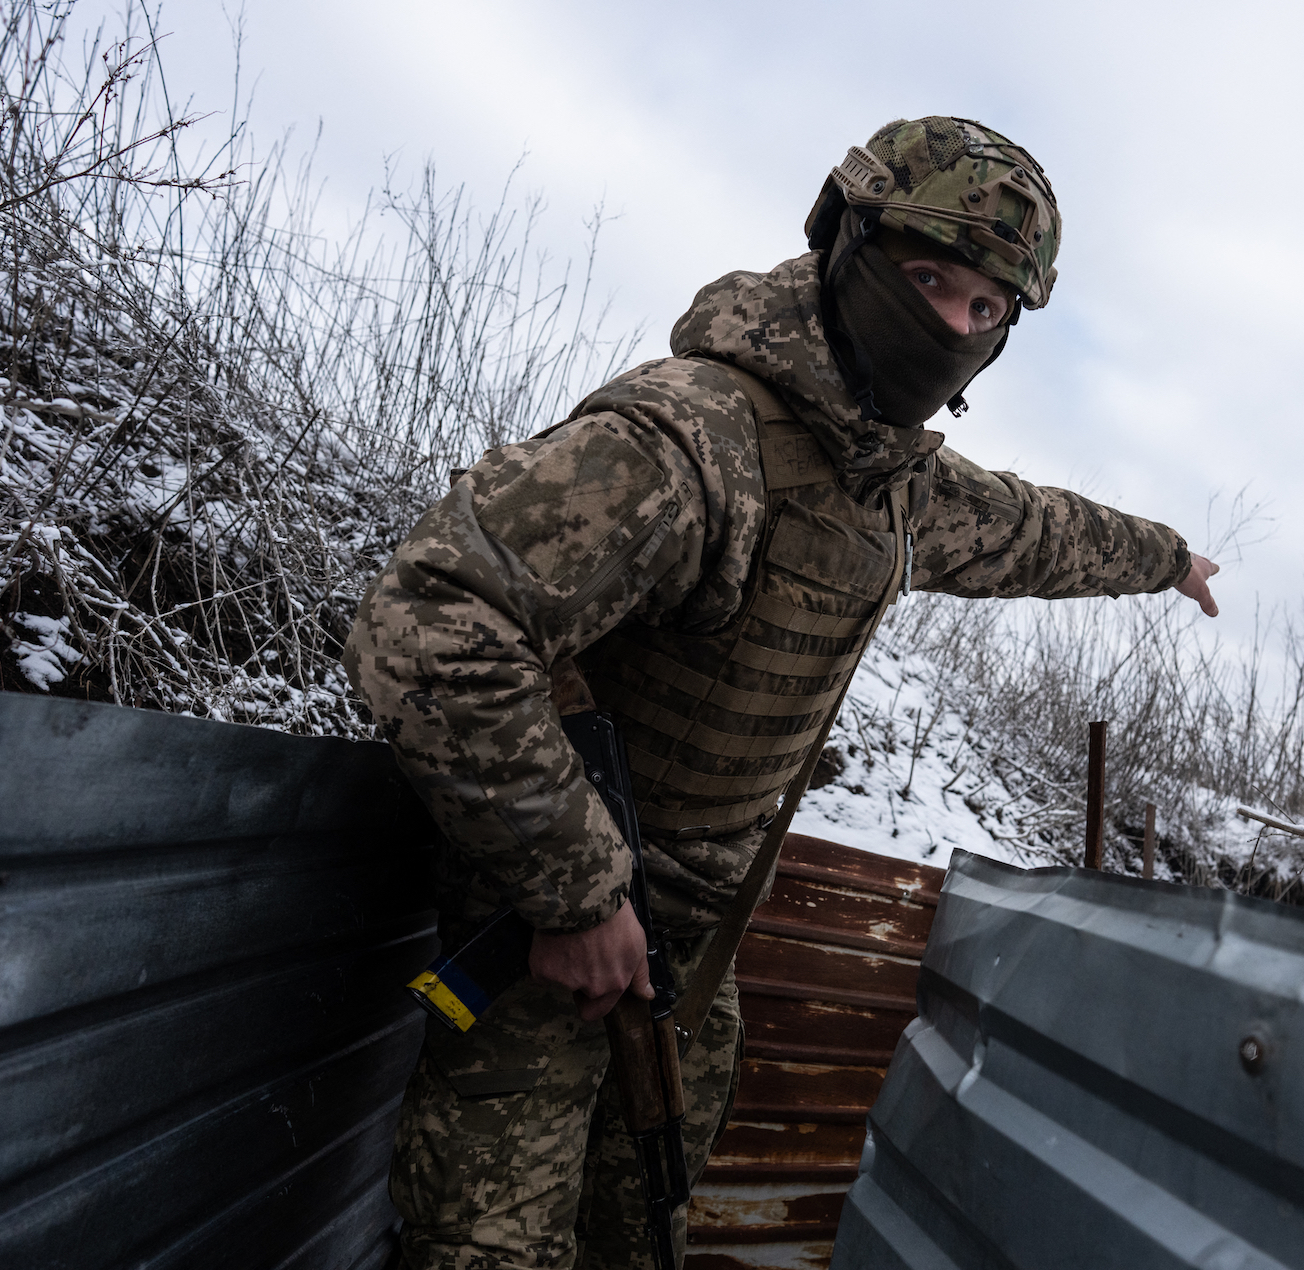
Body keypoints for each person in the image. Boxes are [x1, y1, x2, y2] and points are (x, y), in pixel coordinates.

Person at [345, 114, 1221, 1270]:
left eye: (986, 310)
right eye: (929, 279)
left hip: (687, 968)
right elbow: (428, 625)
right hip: (546, 956)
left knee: (644, 1238)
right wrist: (576, 894)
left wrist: (1168, 559)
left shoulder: (889, 485)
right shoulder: (693, 437)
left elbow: (1037, 532)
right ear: (845, 240)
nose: (954, 325)